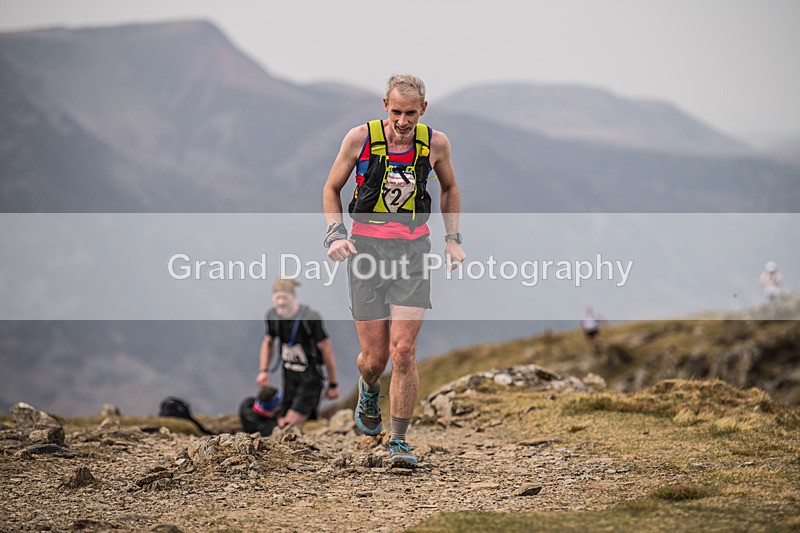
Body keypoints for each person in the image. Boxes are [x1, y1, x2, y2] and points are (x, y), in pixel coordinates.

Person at [322, 74, 466, 467]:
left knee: (403, 351)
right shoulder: (359, 139)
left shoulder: (436, 144)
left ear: (424, 109)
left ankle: (398, 440)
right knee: (375, 358)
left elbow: (450, 189)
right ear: (385, 105)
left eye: (411, 113)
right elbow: (331, 188)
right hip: (366, 250)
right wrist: (335, 234)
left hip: (412, 251)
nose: (404, 122)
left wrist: (453, 239)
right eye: (397, 112)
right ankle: (368, 387)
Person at [256, 278, 339, 429]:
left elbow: (326, 349)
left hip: (310, 380)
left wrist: (333, 384)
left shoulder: (309, 318)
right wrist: (263, 370)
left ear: (293, 296)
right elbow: (268, 342)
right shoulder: (273, 316)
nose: (281, 302)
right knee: (280, 422)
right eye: (277, 298)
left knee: (289, 425)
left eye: (284, 298)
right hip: (289, 379)